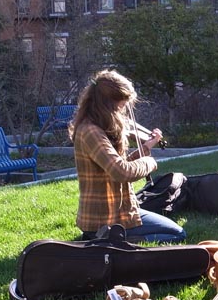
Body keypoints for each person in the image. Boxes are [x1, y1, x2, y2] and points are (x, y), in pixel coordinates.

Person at [69, 69, 186, 244]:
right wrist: (148, 163)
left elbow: (117, 168)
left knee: (175, 231)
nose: (122, 111)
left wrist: (146, 147)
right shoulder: (90, 131)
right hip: (105, 219)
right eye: (121, 106)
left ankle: (110, 239)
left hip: (121, 212)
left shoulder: (99, 127)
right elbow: (121, 172)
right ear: (108, 104)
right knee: (177, 234)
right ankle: (110, 241)